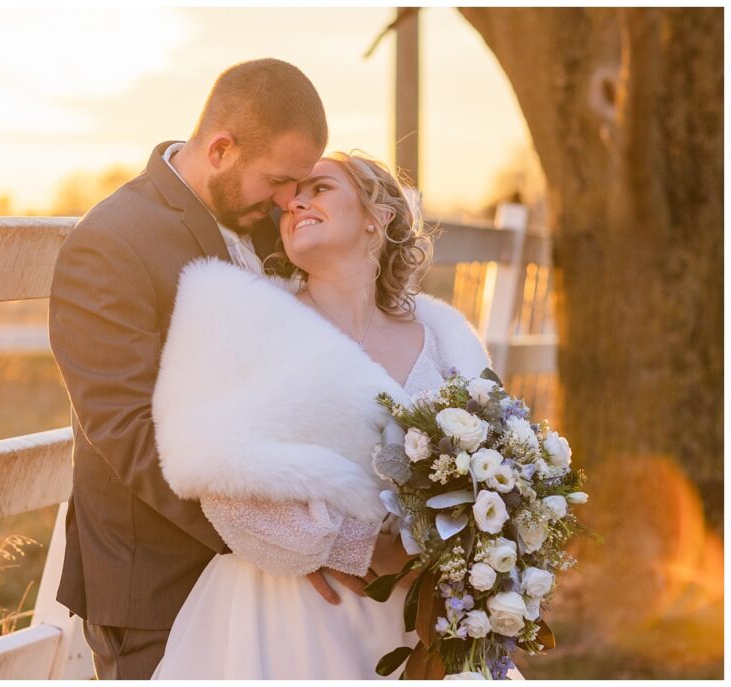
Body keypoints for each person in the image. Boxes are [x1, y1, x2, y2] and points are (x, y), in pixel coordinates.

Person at [48, 58, 381, 680]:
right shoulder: (112, 242)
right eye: (281, 179)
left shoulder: (263, 227)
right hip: (159, 580)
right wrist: (285, 541)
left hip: (277, 588)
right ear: (222, 148)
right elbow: (130, 434)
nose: (291, 201)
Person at [149, 153, 524, 679]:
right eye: (286, 200)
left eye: (319, 188)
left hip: (423, 617)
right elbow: (220, 480)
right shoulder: (250, 322)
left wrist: (464, 562)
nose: (295, 202)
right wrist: (362, 547)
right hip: (292, 614)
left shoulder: (445, 337)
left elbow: (498, 472)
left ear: (380, 215)